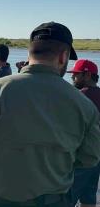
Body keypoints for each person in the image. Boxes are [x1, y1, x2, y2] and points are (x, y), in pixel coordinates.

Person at [0, 22, 100, 207]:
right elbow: (89, 159)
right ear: (64, 56)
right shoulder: (84, 104)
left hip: (0, 199)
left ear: (29, 53)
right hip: (56, 201)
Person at [66, 59, 100, 207]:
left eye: (76, 74)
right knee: (89, 197)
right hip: (97, 155)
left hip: (82, 156)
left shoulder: (79, 96)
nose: (72, 77)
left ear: (87, 75)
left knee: (67, 198)